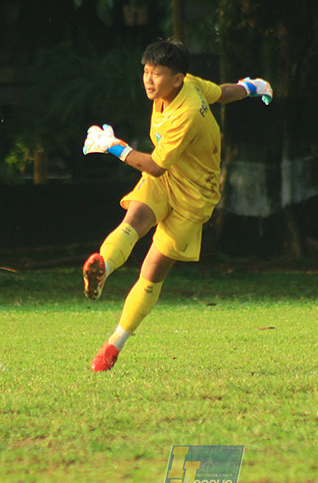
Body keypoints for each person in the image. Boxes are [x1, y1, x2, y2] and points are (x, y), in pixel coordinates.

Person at [81, 39, 272, 372]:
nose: (149, 80)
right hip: (168, 180)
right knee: (134, 220)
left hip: (195, 196)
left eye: (157, 74)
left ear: (178, 79)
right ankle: (103, 268)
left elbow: (155, 165)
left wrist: (113, 147)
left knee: (151, 272)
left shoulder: (184, 112)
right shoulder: (190, 85)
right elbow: (223, 94)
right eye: (146, 71)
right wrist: (252, 87)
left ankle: (113, 345)